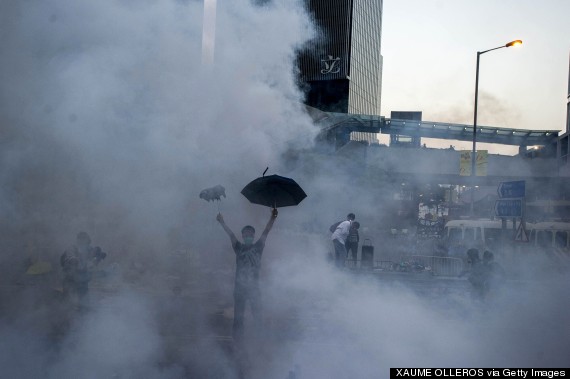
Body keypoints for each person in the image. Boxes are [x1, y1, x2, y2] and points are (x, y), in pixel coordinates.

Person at [217, 208, 278, 341]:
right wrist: (222, 222)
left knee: (257, 315)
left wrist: (272, 218)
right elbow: (231, 235)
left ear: (253, 235)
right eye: (246, 234)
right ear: (243, 236)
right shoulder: (238, 247)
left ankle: (260, 338)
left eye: (250, 233)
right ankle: (237, 340)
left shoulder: (258, 246)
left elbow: (266, 231)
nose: (248, 235)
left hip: (254, 288)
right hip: (240, 289)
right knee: (238, 316)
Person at [60, 232, 107, 308]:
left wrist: (99, 257)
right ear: (78, 240)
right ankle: (65, 316)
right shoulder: (72, 248)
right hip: (70, 280)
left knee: (84, 303)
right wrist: (75, 260)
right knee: (67, 303)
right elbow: (71, 258)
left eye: (86, 242)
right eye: (82, 240)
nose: (84, 244)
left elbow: (96, 255)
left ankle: (84, 316)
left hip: (82, 281)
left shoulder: (89, 249)